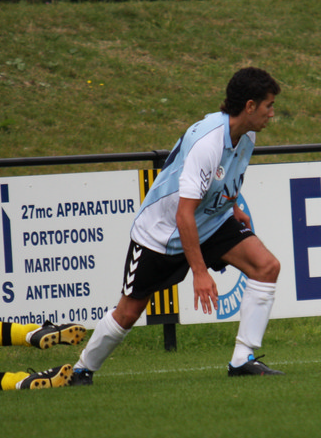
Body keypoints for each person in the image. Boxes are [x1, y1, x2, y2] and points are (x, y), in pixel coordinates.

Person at [68, 67, 284, 385]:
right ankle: (81, 370)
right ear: (250, 106)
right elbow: (183, 215)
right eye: (268, 105)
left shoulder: (246, 135)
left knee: (266, 267)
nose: (272, 113)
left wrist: (233, 206)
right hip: (161, 234)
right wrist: (200, 272)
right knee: (128, 312)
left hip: (211, 221)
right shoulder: (207, 142)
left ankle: (242, 360)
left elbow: (225, 175)